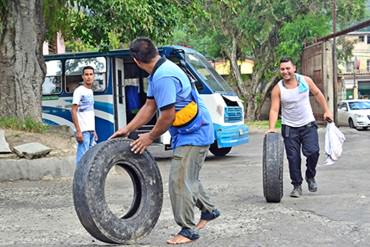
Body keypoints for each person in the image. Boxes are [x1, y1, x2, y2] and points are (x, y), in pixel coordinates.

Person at [109, 37, 220, 244]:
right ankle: (209, 211)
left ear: (136, 60)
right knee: (189, 177)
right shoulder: (158, 72)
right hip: (188, 131)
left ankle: (188, 230)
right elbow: (149, 107)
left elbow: (167, 116)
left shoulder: (163, 77)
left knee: (179, 181)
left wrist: (149, 137)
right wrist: (127, 129)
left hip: (195, 134)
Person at [267, 57, 333, 198]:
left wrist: (327, 110)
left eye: (288, 68)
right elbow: (274, 109)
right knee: (293, 158)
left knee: (313, 152)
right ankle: (297, 186)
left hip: (308, 124)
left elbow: (317, 94)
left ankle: (310, 176)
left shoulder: (305, 81)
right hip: (290, 128)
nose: (285, 72)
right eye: (282, 69)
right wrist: (272, 128)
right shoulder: (277, 89)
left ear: (294, 68)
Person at [71, 66, 98, 165]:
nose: (89, 77)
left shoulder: (90, 92)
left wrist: (93, 130)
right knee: (82, 159)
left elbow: (90, 112)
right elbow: (73, 111)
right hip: (83, 131)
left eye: (91, 74)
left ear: (94, 76)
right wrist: (78, 131)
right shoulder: (79, 91)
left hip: (90, 131)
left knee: (89, 160)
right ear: (82, 76)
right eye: (86, 74)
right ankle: (79, 180)